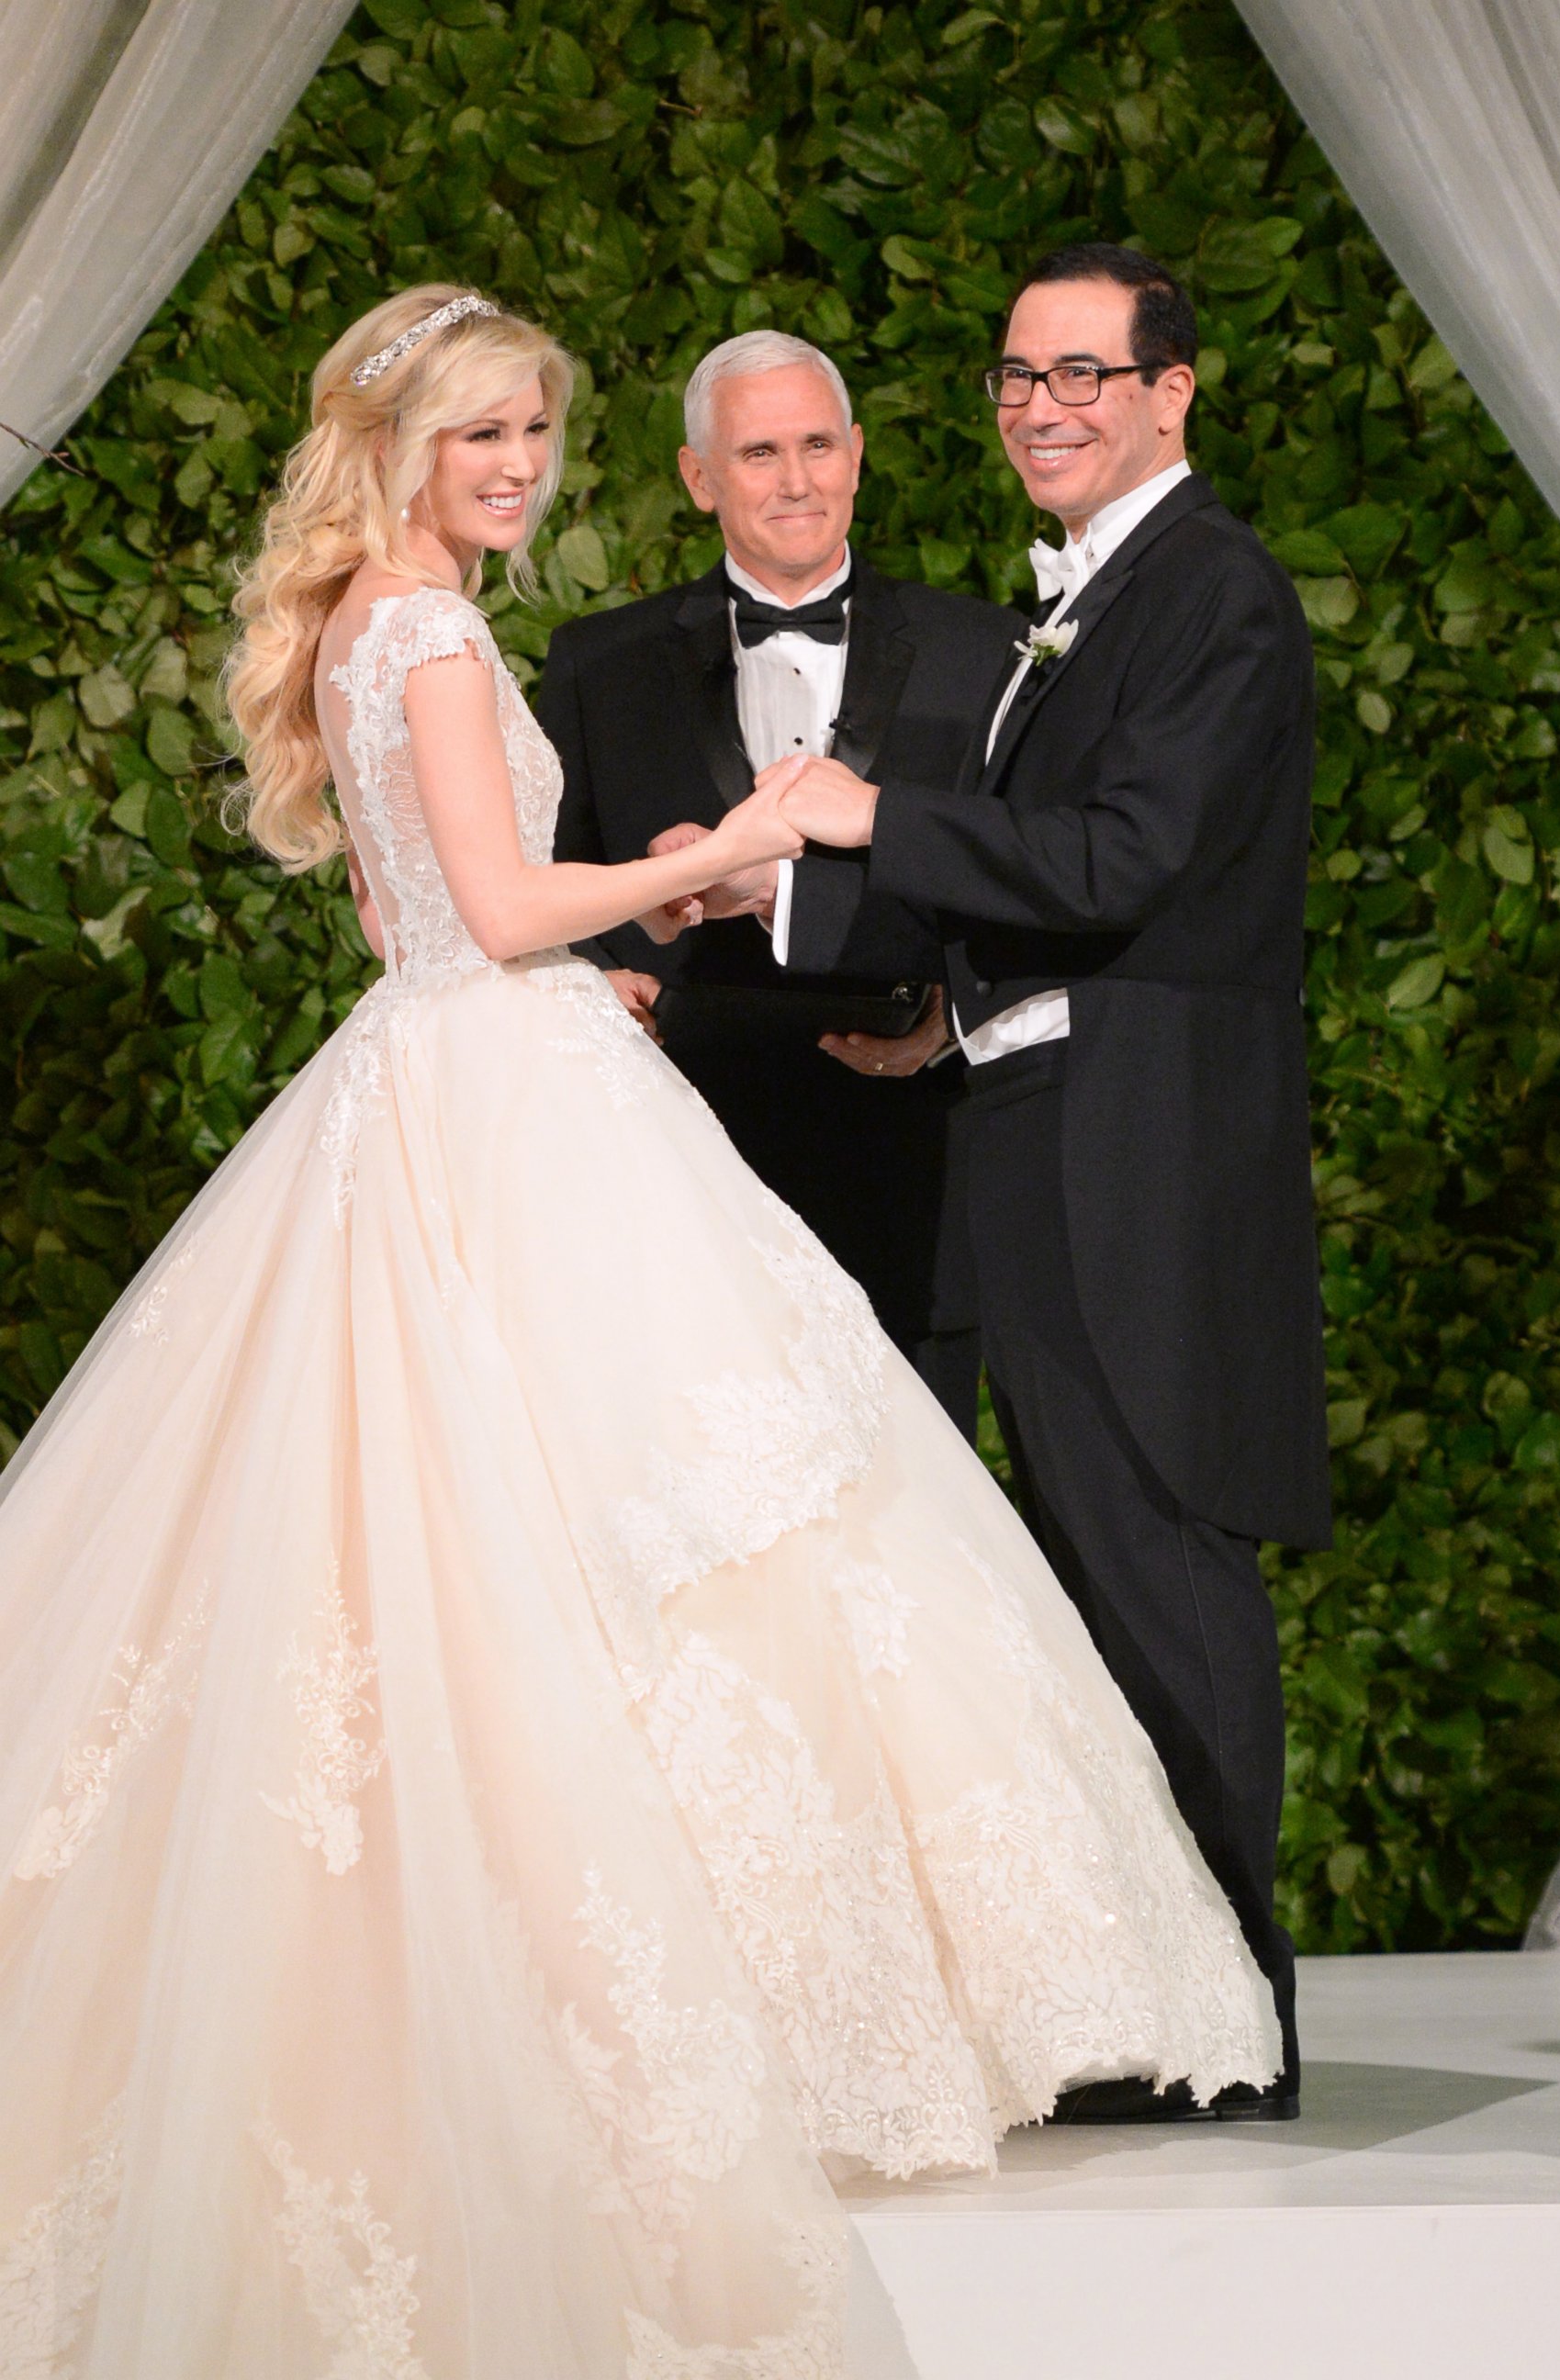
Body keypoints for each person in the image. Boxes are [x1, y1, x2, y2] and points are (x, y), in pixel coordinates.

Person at [0, 285, 1281, 2373]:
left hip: (463, 1075)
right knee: (657, 1534)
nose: (514, 468)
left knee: (532, 1541)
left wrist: (630, 905)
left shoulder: (386, 621)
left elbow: (422, 920)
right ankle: (639, 2024)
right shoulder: (415, 629)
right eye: (481, 435)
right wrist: (739, 844)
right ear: (397, 440)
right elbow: (493, 912)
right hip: (498, 1111)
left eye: (532, 435)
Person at [768, 244, 1331, 2121]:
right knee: (1083, 1579)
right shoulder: (1098, 596)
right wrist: (944, 1020)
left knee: (1160, 1562)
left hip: (1143, 1153)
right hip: (1038, 1128)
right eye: (1016, 377)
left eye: (1081, 375)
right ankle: (1156, 2007)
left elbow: (1125, 858)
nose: (1041, 409)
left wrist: (864, 814)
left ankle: (1228, 2029)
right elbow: (1078, 899)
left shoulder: (1215, 592)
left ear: (1175, 388)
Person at [539, 332, 1015, 1441]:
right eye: (759, 452)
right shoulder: (597, 664)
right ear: (700, 479)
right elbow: (543, 888)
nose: (796, 479)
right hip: (681, 1169)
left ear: (857, 455)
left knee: (926, 1527)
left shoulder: (986, 651)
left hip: (914, 1165)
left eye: (816, 445)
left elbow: (1027, 878)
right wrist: (592, 982)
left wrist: (954, 1017)